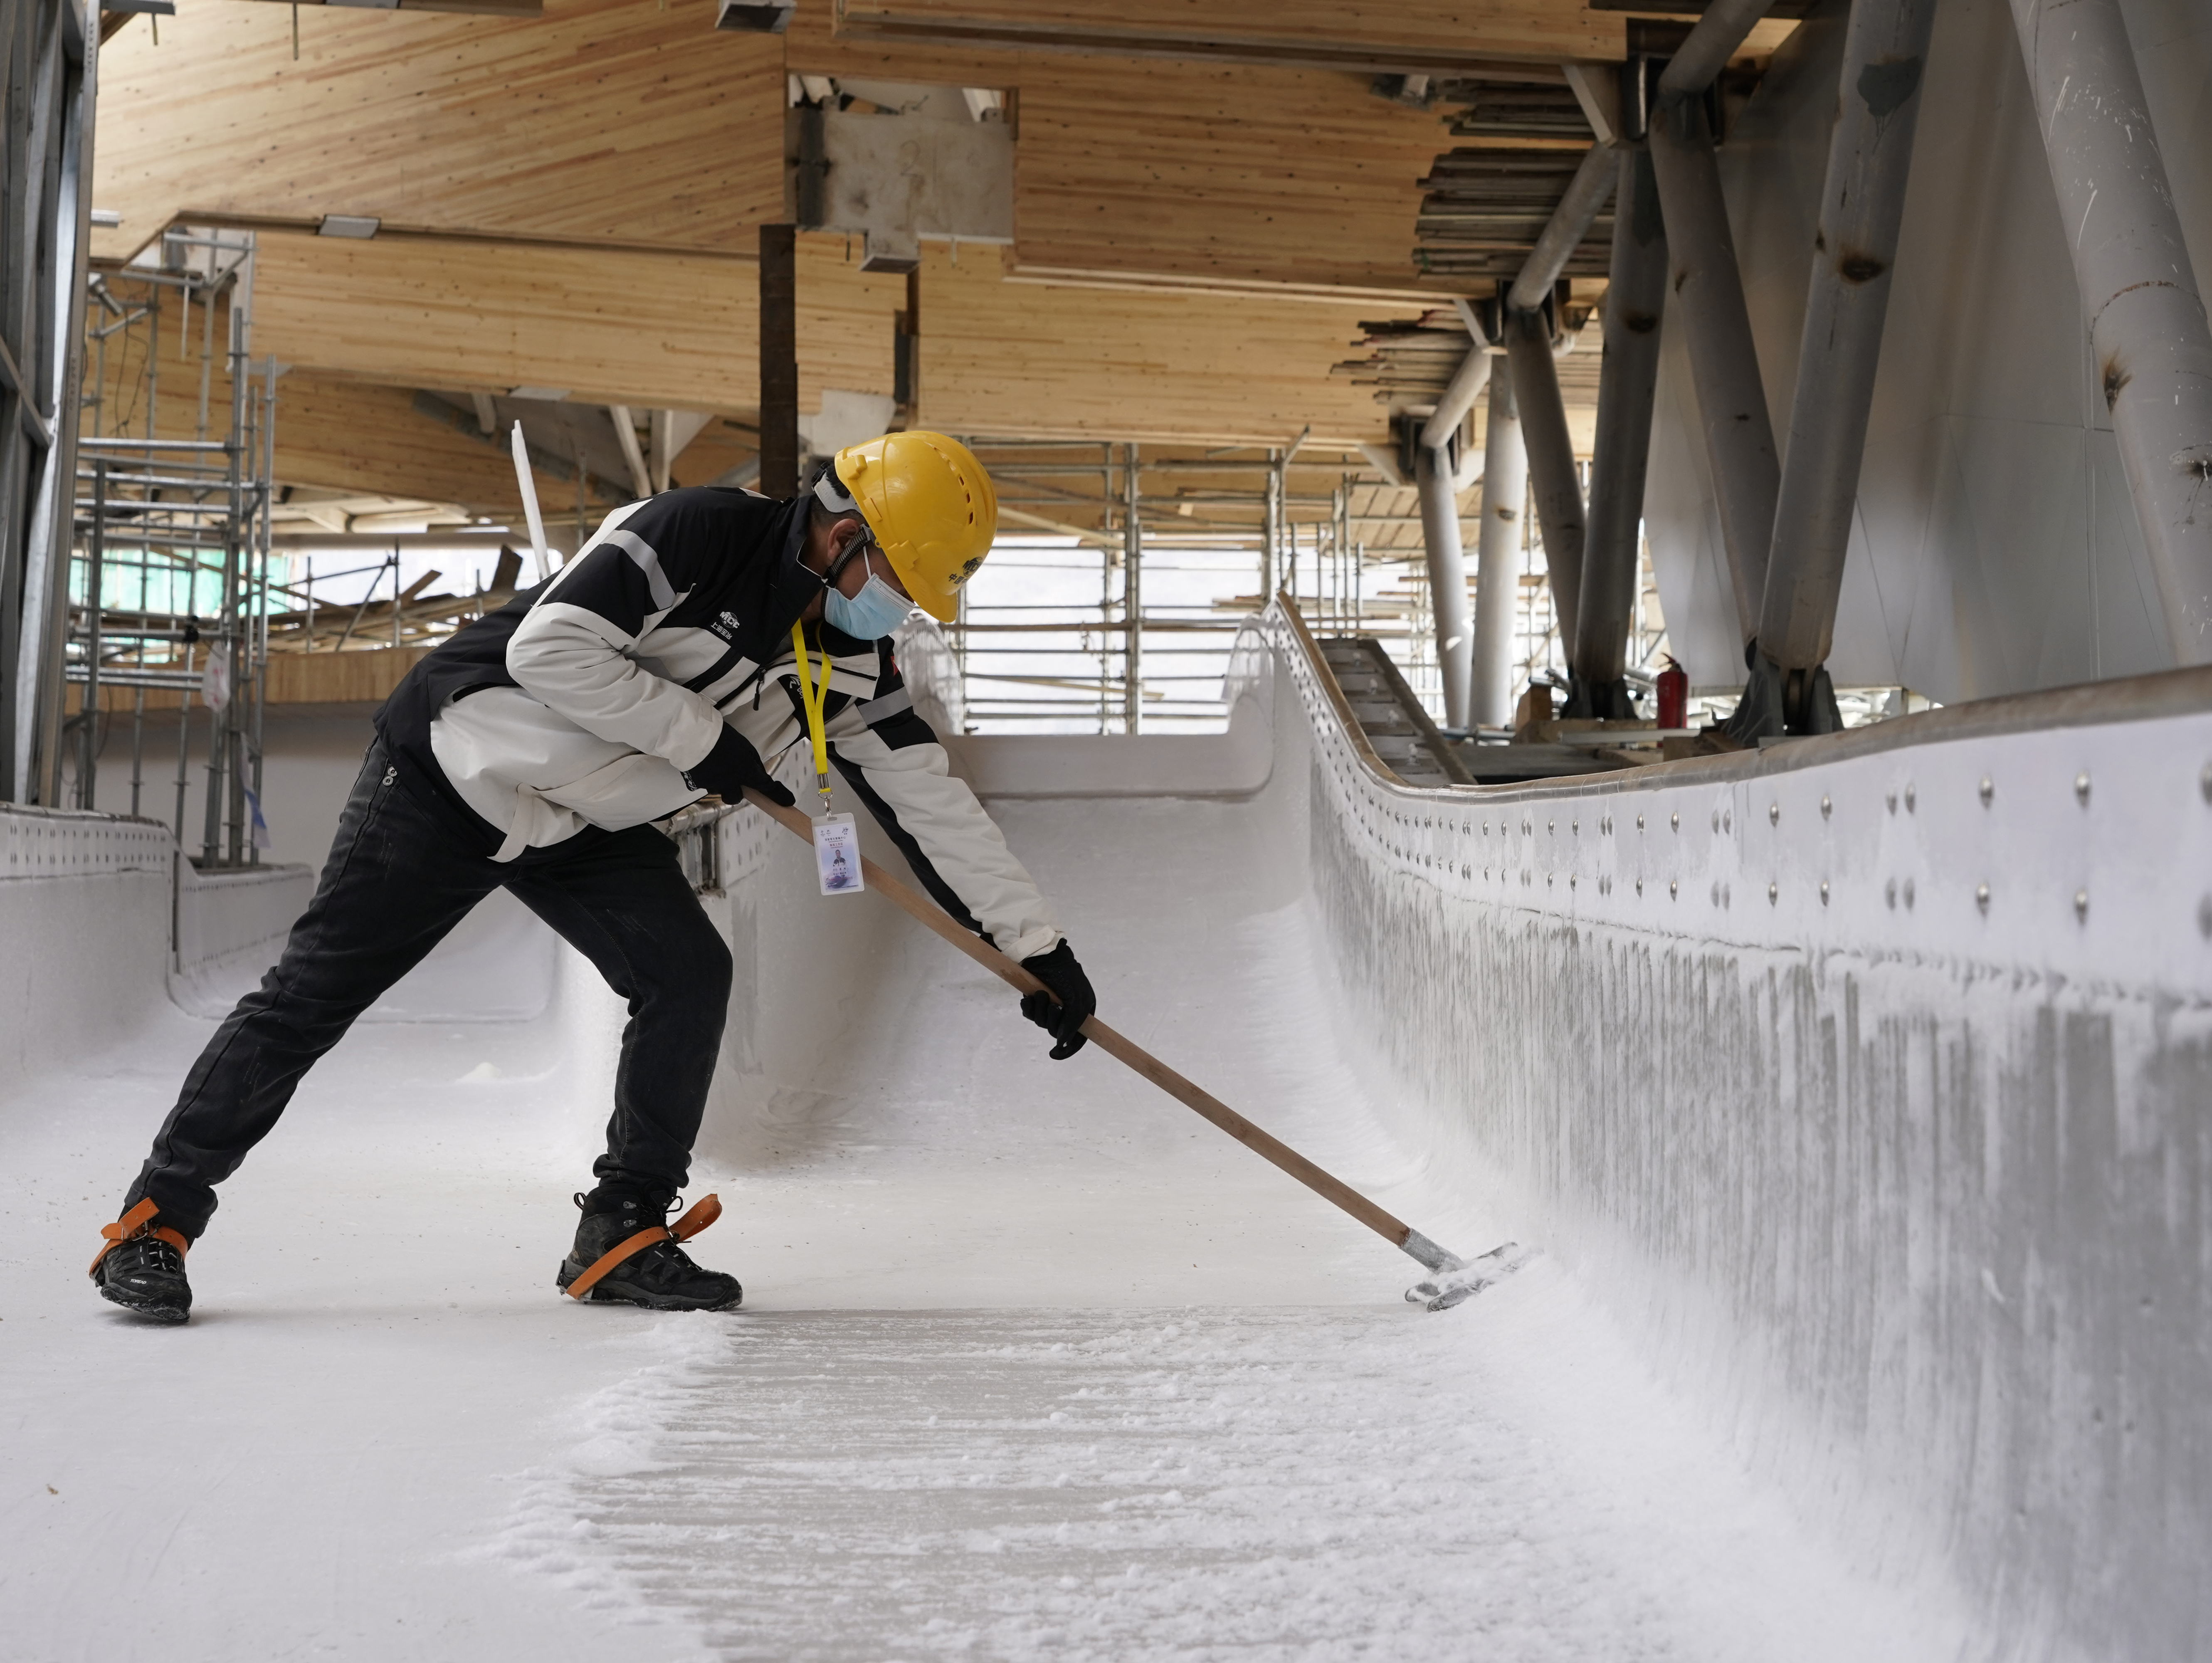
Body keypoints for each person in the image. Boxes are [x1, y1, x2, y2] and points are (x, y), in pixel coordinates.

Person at [89, 432, 1096, 1325]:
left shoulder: (849, 660)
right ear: (842, 538)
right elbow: (551, 645)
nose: (896, 614)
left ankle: (620, 1228)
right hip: (455, 766)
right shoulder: (697, 533)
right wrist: (703, 739)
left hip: (580, 820)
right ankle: (154, 1222)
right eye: (896, 584)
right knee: (309, 999)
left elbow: (931, 805)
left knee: (687, 973)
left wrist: (1036, 948)